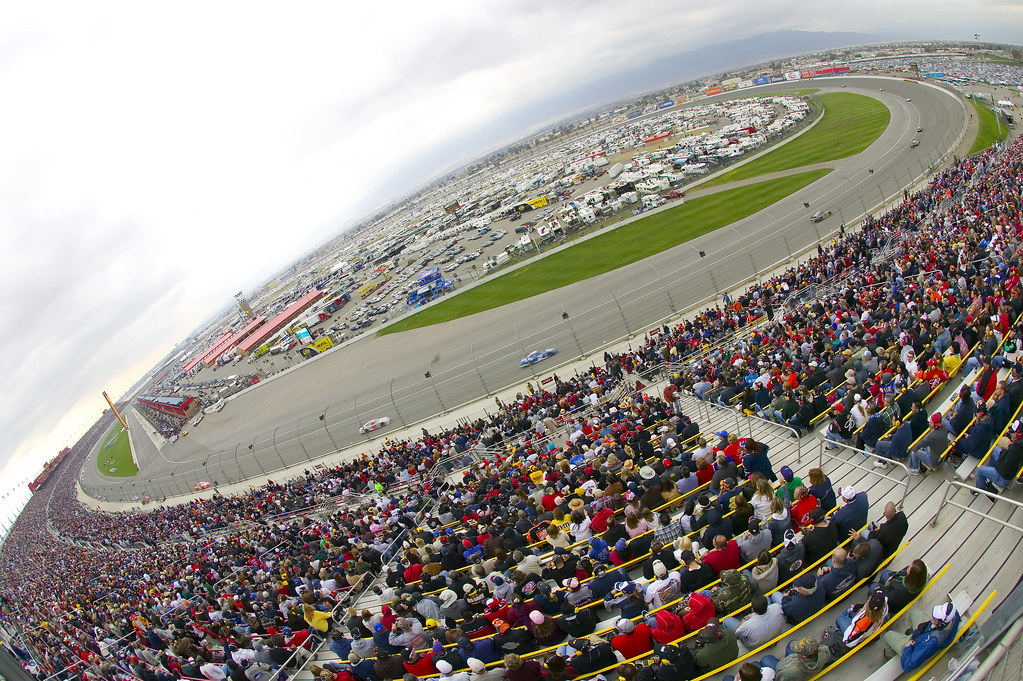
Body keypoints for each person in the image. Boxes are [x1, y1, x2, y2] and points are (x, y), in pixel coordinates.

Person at [883, 602, 960, 670]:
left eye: (934, 620)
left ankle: (890, 654)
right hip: (926, 632)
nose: (932, 620)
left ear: (941, 624)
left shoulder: (930, 643)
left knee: (887, 635)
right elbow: (932, 624)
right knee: (914, 612)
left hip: (916, 644)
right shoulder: (953, 614)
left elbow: (907, 665)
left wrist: (907, 647)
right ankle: (911, 631)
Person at [975, 420, 1023, 495]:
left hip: (1002, 477)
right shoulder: (1018, 444)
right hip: (1007, 465)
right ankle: (988, 477)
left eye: (1012, 433)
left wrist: (997, 464)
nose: (1010, 434)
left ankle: (979, 490)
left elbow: (1004, 469)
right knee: (995, 450)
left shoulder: (1015, 449)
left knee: (980, 470)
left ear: (1019, 434)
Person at [762, 636, 830, 681]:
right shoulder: (824, 651)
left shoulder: (788, 673)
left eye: (798, 651)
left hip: (792, 672)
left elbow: (778, 677)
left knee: (765, 659)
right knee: (792, 642)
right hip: (805, 671)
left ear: (804, 656)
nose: (796, 651)